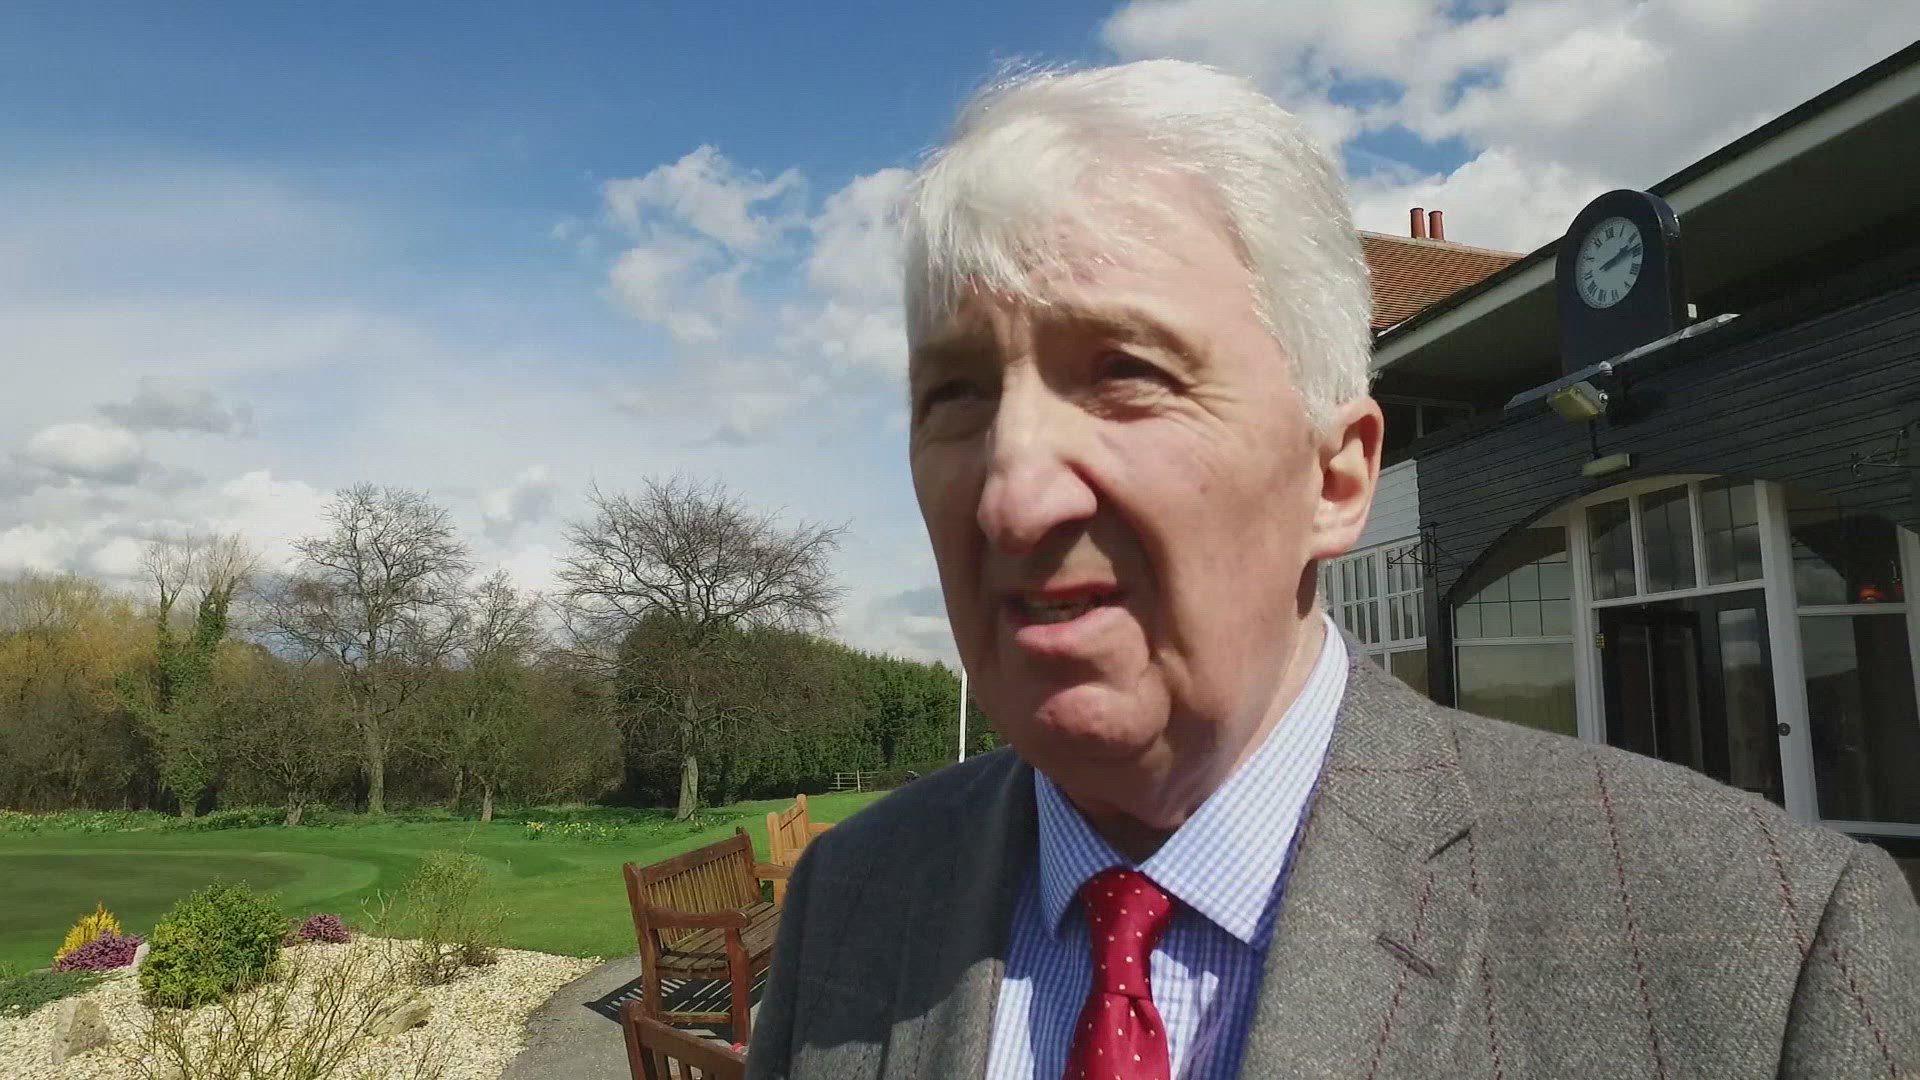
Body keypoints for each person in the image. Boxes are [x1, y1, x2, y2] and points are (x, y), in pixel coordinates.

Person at [746, 60, 1919, 1079]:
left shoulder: (1766, 945)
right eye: (956, 393)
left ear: (1336, 477)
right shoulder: (851, 901)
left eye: (1126, 373)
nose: (1013, 493)